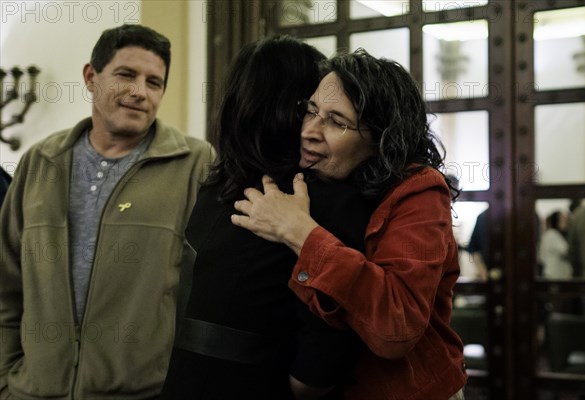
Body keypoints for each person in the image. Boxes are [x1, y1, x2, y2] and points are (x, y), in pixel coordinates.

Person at [232, 49, 467, 400]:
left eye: (336, 122)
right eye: (310, 111)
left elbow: (396, 325)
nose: (309, 132)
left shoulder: (419, 189)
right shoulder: (323, 179)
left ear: (379, 138)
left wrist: (298, 231)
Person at [0, 24, 215, 399]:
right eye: (126, 75)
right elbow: (6, 283)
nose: (139, 92)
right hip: (32, 392)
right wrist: (6, 379)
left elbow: (211, 291)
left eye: (154, 82)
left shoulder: (195, 164)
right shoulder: (39, 161)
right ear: (90, 77)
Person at [160, 36, 373, 400]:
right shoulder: (317, 198)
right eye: (310, 106)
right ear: (288, 109)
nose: (315, 121)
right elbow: (320, 360)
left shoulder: (217, 187)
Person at [538, 210, 572, 279]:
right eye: (563, 220)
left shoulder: (551, 234)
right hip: (554, 274)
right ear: (556, 221)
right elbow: (566, 251)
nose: (566, 223)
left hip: (555, 273)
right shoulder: (552, 234)